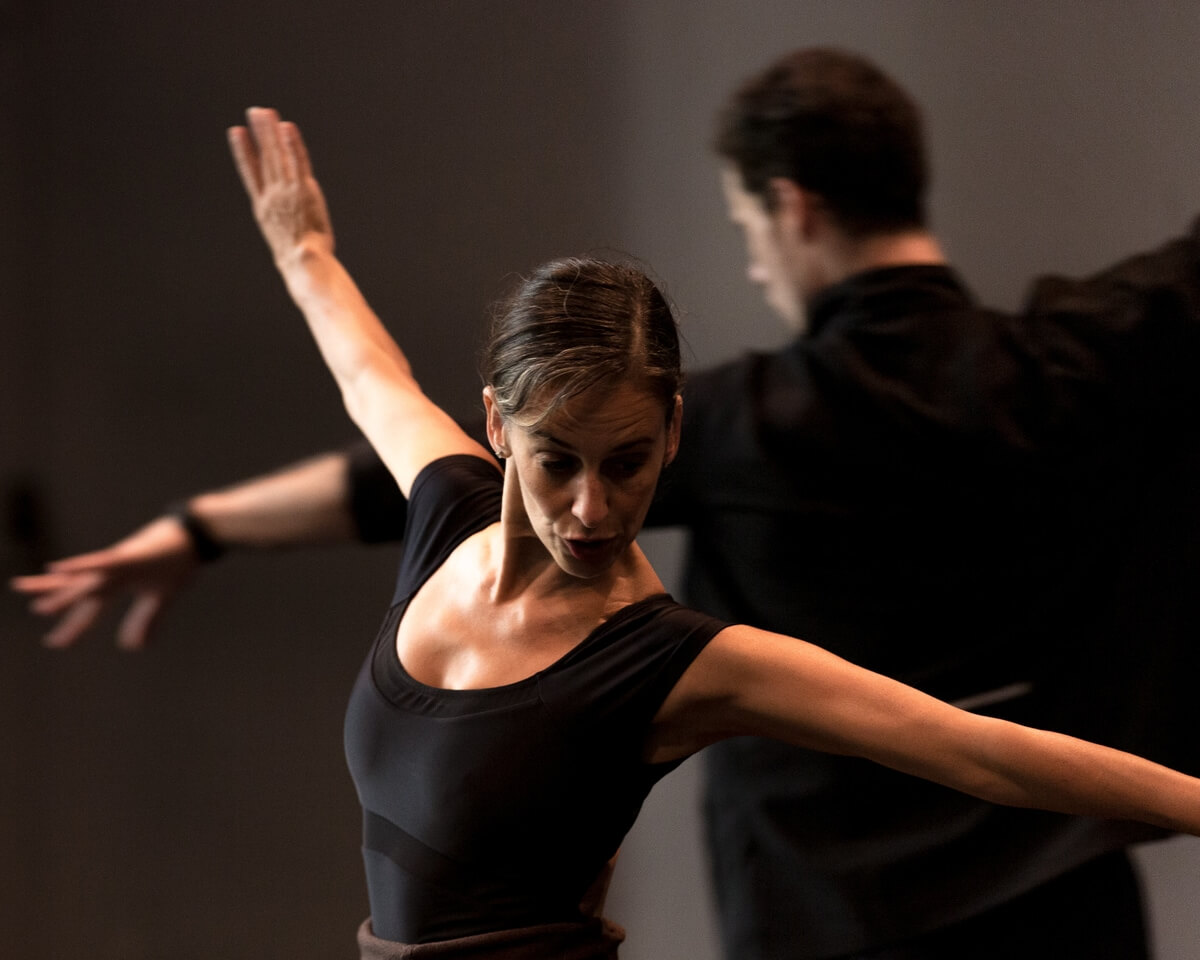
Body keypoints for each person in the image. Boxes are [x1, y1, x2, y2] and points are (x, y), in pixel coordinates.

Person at [14, 49, 1200, 960]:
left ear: (674, 436)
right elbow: (370, 380)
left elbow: (977, 750)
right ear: (498, 429)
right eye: (557, 465)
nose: (592, 510)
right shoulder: (449, 512)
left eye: (629, 465)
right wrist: (303, 262)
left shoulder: (676, 659)